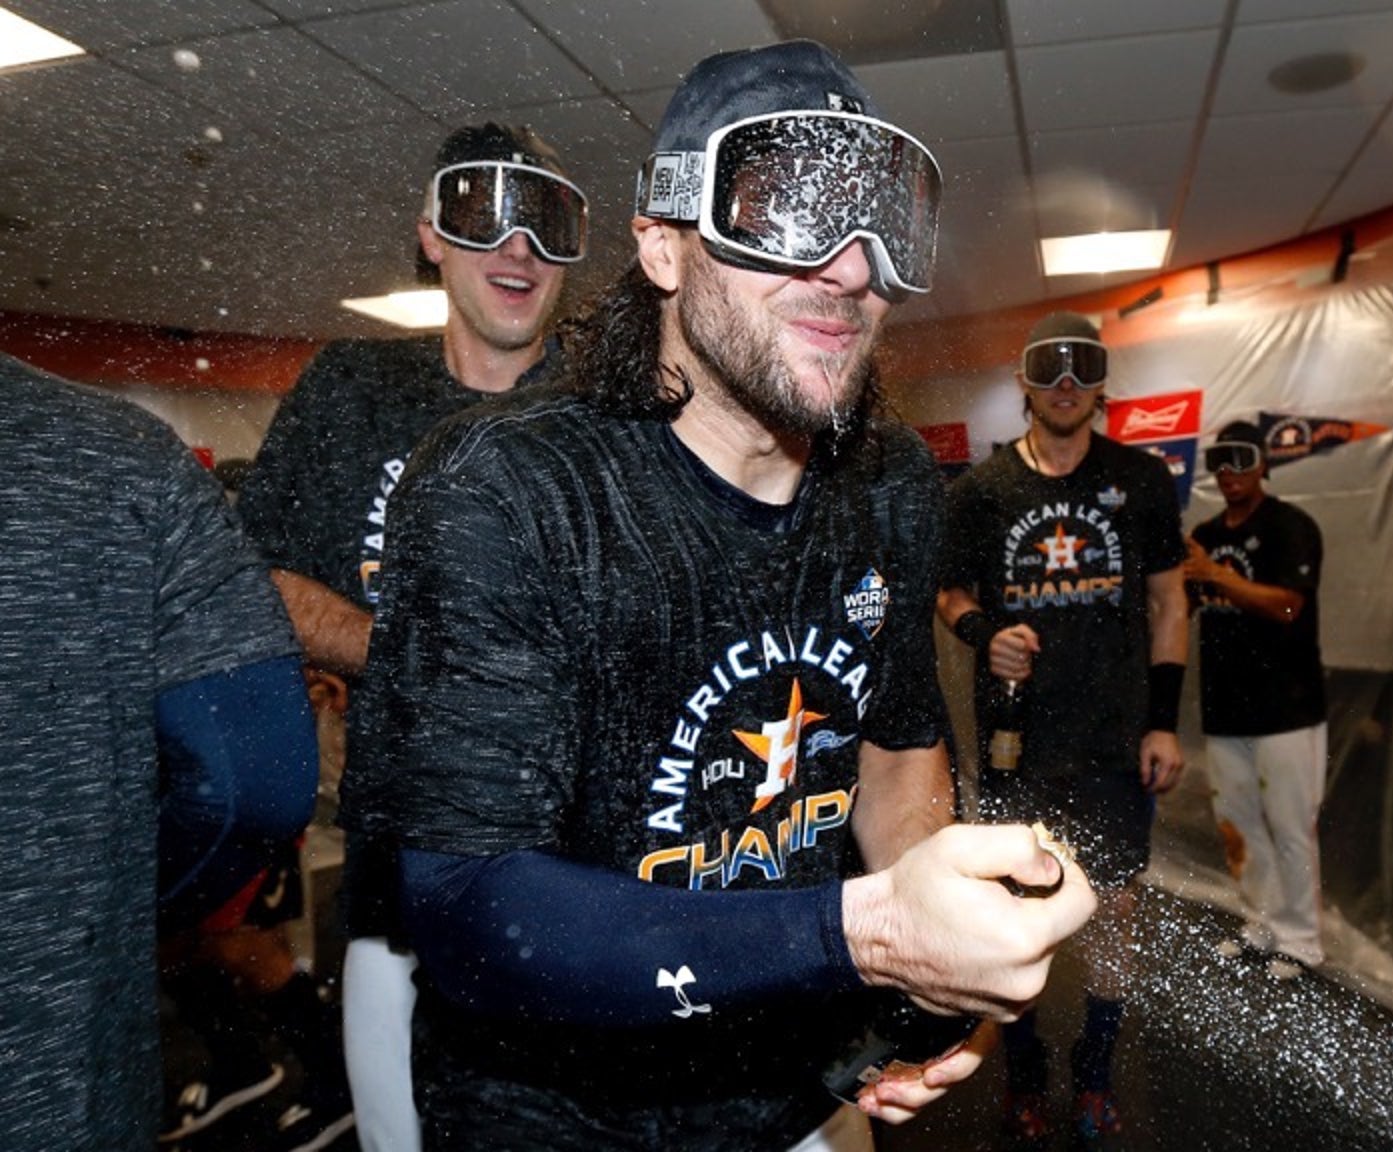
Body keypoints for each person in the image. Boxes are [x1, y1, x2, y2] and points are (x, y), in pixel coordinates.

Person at [341, 39, 1093, 1152]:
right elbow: (471, 914)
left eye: (882, 222)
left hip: (796, 1088)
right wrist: (870, 934)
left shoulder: (888, 481)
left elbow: (895, 756)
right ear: (662, 242)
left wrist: (932, 964)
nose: (850, 269)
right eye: (785, 212)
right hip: (553, 1113)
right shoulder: (508, 487)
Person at [234, 120, 587, 1152]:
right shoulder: (352, 392)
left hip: (592, 882)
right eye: (484, 215)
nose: (518, 248)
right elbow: (251, 577)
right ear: (431, 236)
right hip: (399, 892)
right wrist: (402, 655)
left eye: (548, 222)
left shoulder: (619, 412)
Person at [0, 353, 318, 1151]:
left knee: (237, 947)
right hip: (64, 1081)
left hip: (173, 821)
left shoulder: (131, 476)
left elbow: (251, 776)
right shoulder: (119, 456)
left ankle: (297, 1067)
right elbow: (256, 778)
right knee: (221, 948)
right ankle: (254, 1064)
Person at [937, 310, 1188, 1143]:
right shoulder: (982, 492)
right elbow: (950, 594)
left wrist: (1164, 724)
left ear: (1103, 384)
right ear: (1025, 382)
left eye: (1084, 367)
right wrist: (985, 634)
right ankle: (1024, 1076)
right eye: (1050, 367)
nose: (1068, 383)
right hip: (1019, 744)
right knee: (1017, 918)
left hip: (1115, 741)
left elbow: (1169, 602)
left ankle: (1094, 1072)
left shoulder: (1141, 480)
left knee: (1115, 910)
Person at [1183, 420, 1328, 982]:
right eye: (1218, 460)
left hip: (1287, 711)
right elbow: (1184, 608)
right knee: (1238, 825)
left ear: (1264, 463)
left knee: (1291, 827)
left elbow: (1288, 606)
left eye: (1241, 458)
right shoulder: (1205, 533)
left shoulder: (1291, 527)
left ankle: (1303, 941)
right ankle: (1262, 923)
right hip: (1226, 708)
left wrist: (1213, 574)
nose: (1229, 471)